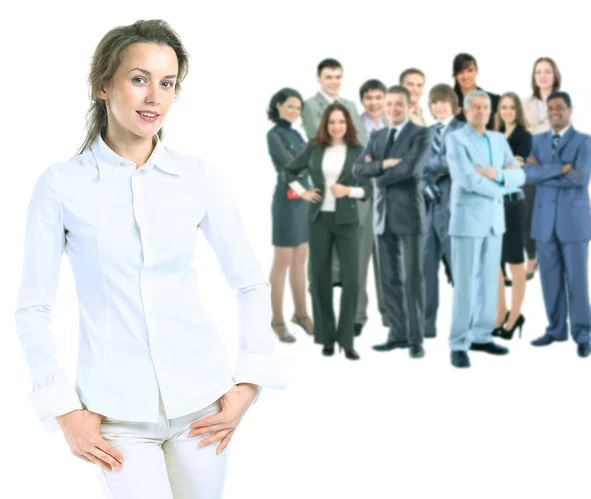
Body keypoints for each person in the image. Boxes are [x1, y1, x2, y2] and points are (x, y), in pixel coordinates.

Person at [14, 20, 287, 498]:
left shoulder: (197, 176)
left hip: (204, 405)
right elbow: (34, 306)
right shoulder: (61, 185)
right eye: (139, 79)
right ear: (103, 85)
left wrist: (250, 380)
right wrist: (62, 408)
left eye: (167, 83)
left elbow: (249, 283)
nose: (154, 98)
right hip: (116, 416)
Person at [284, 103, 371, 360]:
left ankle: (347, 340)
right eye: (332, 122)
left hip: (347, 221)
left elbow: (368, 188)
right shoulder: (314, 148)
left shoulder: (358, 151)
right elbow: (289, 171)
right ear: (325, 124)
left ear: (348, 125)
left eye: (341, 122)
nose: (336, 126)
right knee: (320, 278)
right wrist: (304, 192)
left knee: (352, 280)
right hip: (319, 219)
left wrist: (348, 191)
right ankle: (326, 338)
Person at [446, 90, 525, 368]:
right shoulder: (456, 139)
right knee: (465, 283)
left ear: (490, 112)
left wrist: (500, 175)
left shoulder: (498, 139)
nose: (480, 111)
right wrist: (504, 188)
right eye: (475, 107)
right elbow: (467, 178)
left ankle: (481, 336)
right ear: (466, 111)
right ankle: (458, 342)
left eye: (484, 107)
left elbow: (520, 174)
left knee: (490, 282)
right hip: (467, 221)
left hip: (494, 221)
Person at [354, 85, 430, 359]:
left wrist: (379, 175)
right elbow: (358, 169)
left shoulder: (421, 133)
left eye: (399, 104)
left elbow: (412, 169)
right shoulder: (378, 136)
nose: (394, 109)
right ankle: (397, 334)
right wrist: (385, 164)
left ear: (409, 106)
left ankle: (416, 339)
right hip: (382, 217)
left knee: (412, 280)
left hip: (409, 215)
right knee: (389, 280)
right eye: (390, 104)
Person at [524, 91, 591, 358]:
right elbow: (527, 174)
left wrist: (545, 170)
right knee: (549, 280)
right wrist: (561, 168)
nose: (555, 112)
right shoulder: (536, 141)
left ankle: (582, 333)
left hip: (574, 223)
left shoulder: (585, 141)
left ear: (570, 110)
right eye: (550, 109)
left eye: (560, 108)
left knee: (577, 281)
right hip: (543, 222)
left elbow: (579, 178)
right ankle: (555, 329)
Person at [301, 58, 367, 288]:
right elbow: (318, 139)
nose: (334, 82)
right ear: (319, 79)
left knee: (344, 227)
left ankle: (338, 277)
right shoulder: (310, 106)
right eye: (329, 77)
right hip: (325, 175)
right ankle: (319, 281)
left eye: (338, 77)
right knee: (321, 235)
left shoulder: (349, 104)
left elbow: (362, 141)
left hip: (349, 178)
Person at [266, 88, 314, 343]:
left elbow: (311, 161)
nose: (294, 112)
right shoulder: (274, 134)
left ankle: (302, 313)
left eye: (298, 108)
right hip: (287, 201)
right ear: (279, 106)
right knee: (283, 259)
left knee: (301, 256)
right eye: (290, 106)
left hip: (304, 200)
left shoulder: (297, 133)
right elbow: (289, 166)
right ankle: (276, 319)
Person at [422, 84, 465, 339]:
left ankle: (464, 327)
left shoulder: (462, 130)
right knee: (426, 273)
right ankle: (427, 327)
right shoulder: (425, 134)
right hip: (428, 211)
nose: (439, 107)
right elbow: (415, 167)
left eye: (443, 102)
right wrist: (426, 180)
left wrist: (430, 166)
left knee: (460, 272)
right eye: (434, 102)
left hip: (454, 210)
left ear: (453, 104)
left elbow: (457, 161)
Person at [492, 92, 532, 340]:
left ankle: (516, 315)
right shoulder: (494, 136)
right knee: (495, 263)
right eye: (503, 107)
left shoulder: (524, 137)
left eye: (512, 107)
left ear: (518, 110)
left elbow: (515, 169)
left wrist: (494, 169)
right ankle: (500, 312)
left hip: (513, 206)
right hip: (492, 204)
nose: (507, 111)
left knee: (515, 263)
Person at [354, 79, 389, 335]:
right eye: (369, 98)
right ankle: (357, 315)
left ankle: (389, 314)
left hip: (390, 202)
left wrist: (372, 163)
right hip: (360, 202)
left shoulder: (395, 124)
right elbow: (351, 165)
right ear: (362, 100)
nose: (374, 102)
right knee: (358, 262)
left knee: (387, 262)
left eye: (378, 97)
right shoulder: (351, 126)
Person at [522, 57, 562, 280]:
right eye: (538, 72)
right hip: (530, 167)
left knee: (550, 214)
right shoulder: (525, 102)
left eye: (547, 71)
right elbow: (524, 131)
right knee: (526, 213)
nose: (543, 76)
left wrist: (536, 131)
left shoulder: (562, 101)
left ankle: (550, 258)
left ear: (554, 75)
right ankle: (531, 256)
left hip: (552, 168)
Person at [452, 53, 500, 130]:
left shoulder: (494, 100)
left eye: (470, 70)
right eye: (461, 72)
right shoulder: (449, 103)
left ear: (476, 71)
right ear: (455, 74)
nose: (466, 76)